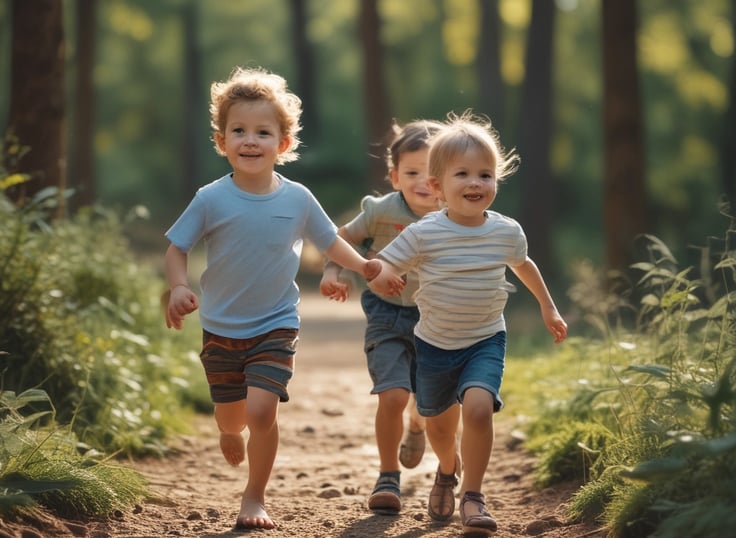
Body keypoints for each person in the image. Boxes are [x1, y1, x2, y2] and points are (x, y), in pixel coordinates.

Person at [163, 66, 401, 531]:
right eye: (239, 131)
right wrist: (178, 286)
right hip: (221, 325)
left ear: (283, 144)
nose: (250, 140)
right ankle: (228, 432)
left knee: (261, 410)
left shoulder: (298, 198)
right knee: (232, 418)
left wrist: (364, 266)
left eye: (262, 132)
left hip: (276, 323)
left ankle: (254, 496)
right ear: (222, 140)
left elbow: (329, 241)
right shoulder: (211, 198)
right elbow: (178, 247)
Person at [368, 111, 568, 535]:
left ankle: (472, 496)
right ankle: (446, 469)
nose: (476, 183)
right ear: (438, 186)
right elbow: (384, 262)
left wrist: (548, 308)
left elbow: (524, 265)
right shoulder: (425, 233)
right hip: (435, 345)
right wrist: (381, 273)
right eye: (463, 174)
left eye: (486, 175)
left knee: (478, 408)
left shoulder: (506, 232)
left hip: (485, 339)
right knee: (441, 428)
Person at [319, 119, 445, 514]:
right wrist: (332, 271)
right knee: (392, 393)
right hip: (386, 313)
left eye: (433, 173)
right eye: (412, 173)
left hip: (439, 320)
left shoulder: (458, 215)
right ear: (394, 177)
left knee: (427, 402)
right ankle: (388, 474)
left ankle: (419, 425)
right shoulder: (380, 212)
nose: (423, 182)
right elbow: (339, 239)